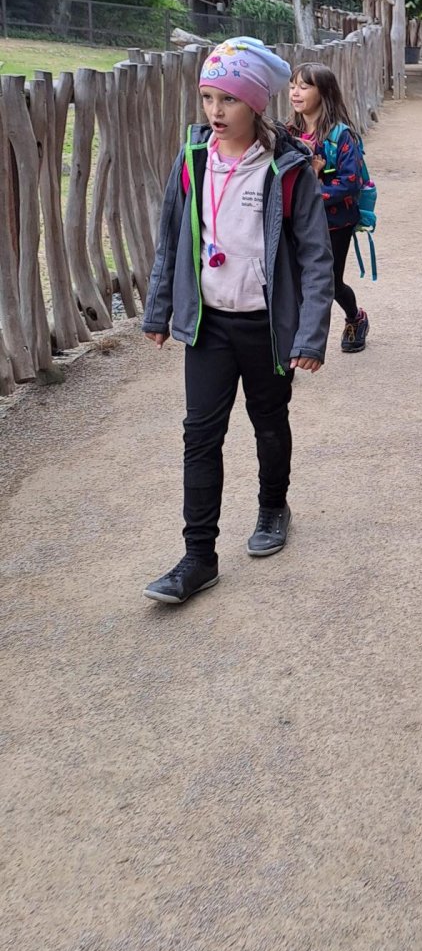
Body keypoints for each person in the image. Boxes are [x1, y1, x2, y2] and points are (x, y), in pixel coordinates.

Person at [142, 38, 333, 605]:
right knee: (200, 435)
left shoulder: (288, 169)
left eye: (228, 99)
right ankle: (198, 556)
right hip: (209, 325)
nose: (215, 111)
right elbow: (171, 238)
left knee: (268, 422)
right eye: (207, 98)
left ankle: (273, 506)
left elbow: (315, 256)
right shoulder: (193, 160)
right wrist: (159, 310)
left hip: (265, 327)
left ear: (255, 103)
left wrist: (310, 334)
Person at [288, 61, 370, 354]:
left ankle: (355, 318)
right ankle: (294, 344)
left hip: (335, 223)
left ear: (324, 92)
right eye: (292, 86)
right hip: (296, 221)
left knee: (330, 282)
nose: (295, 92)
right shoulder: (288, 132)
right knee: (294, 282)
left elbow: (351, 182)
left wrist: (312, 192)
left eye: (304, 86)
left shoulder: (341, 136)